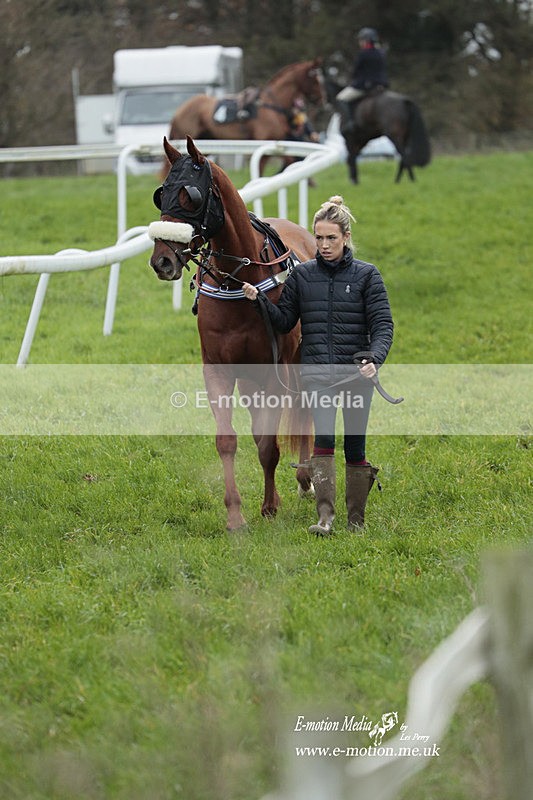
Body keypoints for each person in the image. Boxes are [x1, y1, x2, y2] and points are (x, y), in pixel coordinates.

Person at [242, 197, 394, 536]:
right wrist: (260, 301)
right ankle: (325, 517)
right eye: (319, 238)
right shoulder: (301, 277)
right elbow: (284, 322)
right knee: (323, 442)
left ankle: (356, 520)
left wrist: (374, 357)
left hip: (357, 375)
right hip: (317, 375)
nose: (323, 246)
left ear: (346, 237)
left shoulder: (369, 276)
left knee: (355, 446)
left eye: (331, 239)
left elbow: (383, 325)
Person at [337, 27, 389, 133]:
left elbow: (356, 71)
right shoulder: (381, 53)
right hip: (381, 85)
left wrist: (353, 80)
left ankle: (350, 121)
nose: (360, 43)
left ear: (366, 40)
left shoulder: (364, 54)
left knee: (340, 99)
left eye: (361, 40)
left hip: (365, 85)